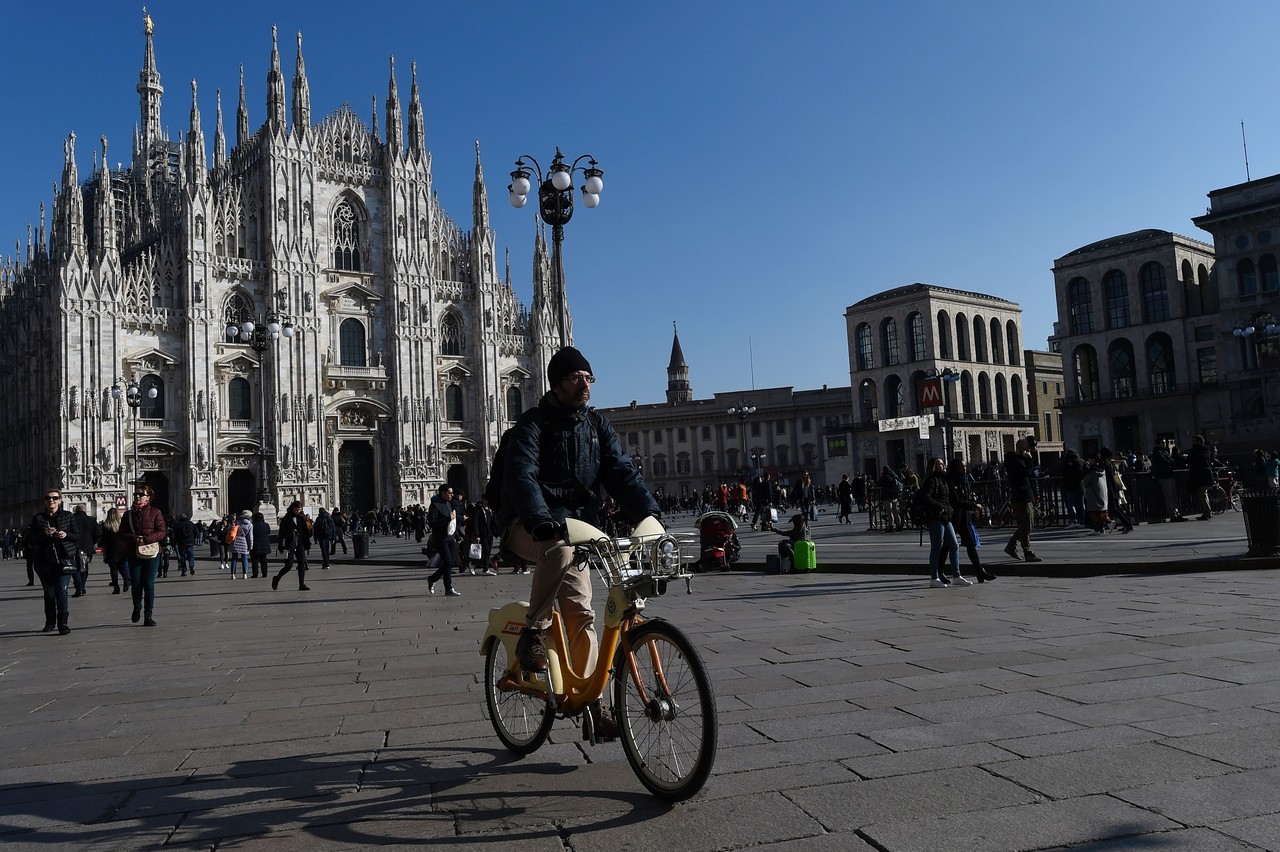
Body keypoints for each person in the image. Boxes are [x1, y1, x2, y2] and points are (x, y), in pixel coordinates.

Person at [499, 346, 660, 740]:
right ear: (557, 383)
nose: (585, 384)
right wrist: (540, 519)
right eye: (577, 378)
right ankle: (533, 633)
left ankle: (593, 704)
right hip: (528, 524)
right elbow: (522, 474)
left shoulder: (596, 426)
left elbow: (621, 472)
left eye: (589, 377)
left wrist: (649, 515)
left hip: (579, 529)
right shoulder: (532, 425)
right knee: (559, 547)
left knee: (583, 617)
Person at [30, 489, 79, 634]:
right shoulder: (38, 518)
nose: (51, 500)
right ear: (44, 501)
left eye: (54, 498)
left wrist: (66, 534)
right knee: (49, 593)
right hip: (44, 561)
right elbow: (32, 540)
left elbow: (76, 536)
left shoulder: (68, 516)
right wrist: (44, 533)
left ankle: (63, 623)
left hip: (64, 560)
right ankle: (50, 622)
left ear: (60, 500)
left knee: (61, 591)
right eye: (48, 498)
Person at [919, 458, 970, 587]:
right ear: (934, 467)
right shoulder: (931, 480)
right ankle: (934, 577)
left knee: (954, 545)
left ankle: (956, 575)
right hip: (935, 517)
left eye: (943, 464)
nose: (943, 466)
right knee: (936, 546)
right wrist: (940, 507)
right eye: (940, 464)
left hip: (946, 517)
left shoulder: (944, 480)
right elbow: (925, 498)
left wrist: (948, 510)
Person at [122, 484, 166, 626]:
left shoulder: (155, 512)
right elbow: (122, 533)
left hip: (152, 552)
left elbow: (162, 531)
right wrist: (135, 539)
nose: (138, 497)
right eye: (136, 494)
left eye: (141, 494)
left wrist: (146, 539)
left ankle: (148, 615)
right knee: (136, 584)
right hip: (134, 552)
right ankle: (137, 607)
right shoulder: (128, 514)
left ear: (148, 497)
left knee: (148, 584)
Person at [945, 458, 995, 582]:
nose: (965, 468)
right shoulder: (950, 482)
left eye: (965, 466)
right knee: (947, 545)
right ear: (956, 468)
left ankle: (979, 572)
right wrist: (973, 506)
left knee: (971, 544)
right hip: (954, 517)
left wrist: (972, 503)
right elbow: (955, 501)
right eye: (962, 467)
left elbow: (965, 497)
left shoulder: (964, 480)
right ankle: (938, 572)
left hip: (964, 516)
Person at [1003, 437, 1043, 563]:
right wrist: (1029, 460)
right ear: (1021, 448)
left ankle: (1011, 546)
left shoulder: (1023, 459)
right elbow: (1027, 473)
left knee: (1028, 524)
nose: (1030, 451)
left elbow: (1033, 469)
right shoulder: (1012, 460)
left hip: (1027, 494)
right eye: (1027, 448)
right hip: (1020, 496)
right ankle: (1028, 551)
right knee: (1026, 526)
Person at [426, 484, 460, 595]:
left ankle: (433, 579)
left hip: (449, 537)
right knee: (448, 561)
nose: (452, 495)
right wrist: (447, 518)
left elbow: (451, 520)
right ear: (443, 493)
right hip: (440, 538)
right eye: (450, 493)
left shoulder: (448, 504)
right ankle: (448, 588)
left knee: (449, 563)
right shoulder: (434, 506)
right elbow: (432, 523)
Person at [272, 501, 313, 591]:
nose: (298, 511)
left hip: (300, 544)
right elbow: (281, 532)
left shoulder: (302, 518)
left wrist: (308, 522)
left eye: (299, 509)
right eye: (296, 509)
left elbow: (306, 531)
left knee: (302, 564)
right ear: (292, 508)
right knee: (288, 566)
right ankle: (277, 578)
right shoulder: (286, 518)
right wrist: (280, 544)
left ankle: (301, 584)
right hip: (290, 544)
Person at [1099, 448, 1135, 533]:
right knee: (1114, 509)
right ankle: (1115, 524)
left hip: (1110, 489)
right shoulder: (1109, 463)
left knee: (1116, 509)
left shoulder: (1105, 464)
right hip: (1112, 489)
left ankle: (1128, 525)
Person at [1150, 441, 1187, 523]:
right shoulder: (1157, 452)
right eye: (1162, 443)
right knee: (1169, 496)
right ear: (1157, 443)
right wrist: (1170, 462)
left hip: (1169, 475)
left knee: (1174, 496)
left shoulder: (1165, 451)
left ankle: (1176, 513)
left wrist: (1170, 462)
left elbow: (1171, 461)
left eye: (1164, 443)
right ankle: (1172, 515)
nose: (1164, 444)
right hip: (1164, 476)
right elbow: (1166, 462)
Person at [100, 508, 132, 594]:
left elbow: (104, 539)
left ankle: (116, 587)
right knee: (122, 566)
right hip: (123, 548)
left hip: (111, 548)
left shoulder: (106, 525)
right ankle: (126, 580)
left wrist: (101, 545)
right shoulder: (122, 524)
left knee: (113, 568)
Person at [71, 504, 98, 598]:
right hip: (86, 548)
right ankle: (82, 586)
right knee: (84, 568)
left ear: (75, 510)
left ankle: (79, 588)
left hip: (73, 547)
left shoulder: (72, 519)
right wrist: (91, 543)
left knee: (75, 568)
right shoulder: (91, 520)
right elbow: (97, 534)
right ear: (85, 510)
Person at [465, 497, 496, 576]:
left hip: (489, 533)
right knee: (485, 550)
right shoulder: (478, 509)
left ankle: (485, 569)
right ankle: (473, 563)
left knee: (487, 551)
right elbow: (475, 522)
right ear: (484, 500)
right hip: (482, 534)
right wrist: (477, 535)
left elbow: (493, 521)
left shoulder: (490, 510)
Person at [1057, 449, 1087, 528]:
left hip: (1070, 486)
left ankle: (1073, 521)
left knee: (1071, 504)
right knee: (1081, 504)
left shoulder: (1067, 463)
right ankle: (1082, 521)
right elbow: (1087, 471)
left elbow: (1058, 469)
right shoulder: (1081, 461)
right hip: (1080, 485)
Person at [1187, 435, 1214, 520]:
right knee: (1201, 495)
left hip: (1203, 475)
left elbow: (1203, 458)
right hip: (1197, 475)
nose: (1193, 443)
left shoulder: (1205, 449)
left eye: (1195, 441)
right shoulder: (1193, 451)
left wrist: (1194, 457)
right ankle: (1206, 512)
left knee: (1203, 494)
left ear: (1199, 441)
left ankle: (1208, 513)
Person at [229, 510, 254, 578]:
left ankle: (233, 574)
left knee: (234, 558)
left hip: (236, 541)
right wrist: (251, 545)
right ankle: (245, 574)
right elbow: (250, 537)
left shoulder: (237, 522)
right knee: (244, 558)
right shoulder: (250, 525)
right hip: (244, 542)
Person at [877, 466, 902, 532]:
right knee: (895, 511)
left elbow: (878, 484)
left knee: (889, 511)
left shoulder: (884, 477)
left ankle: (891, 526)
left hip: (887, 496)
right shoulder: (893, 476)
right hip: (894, 496)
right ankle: (899, 525)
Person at [249, 511, 272, 578]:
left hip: (255, 545)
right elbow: (268, 532)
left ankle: (255, 574)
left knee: (254, 560)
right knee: (264, 560)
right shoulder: (266, 525)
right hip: (264, 545)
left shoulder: (253, 526)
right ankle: (264, 573)